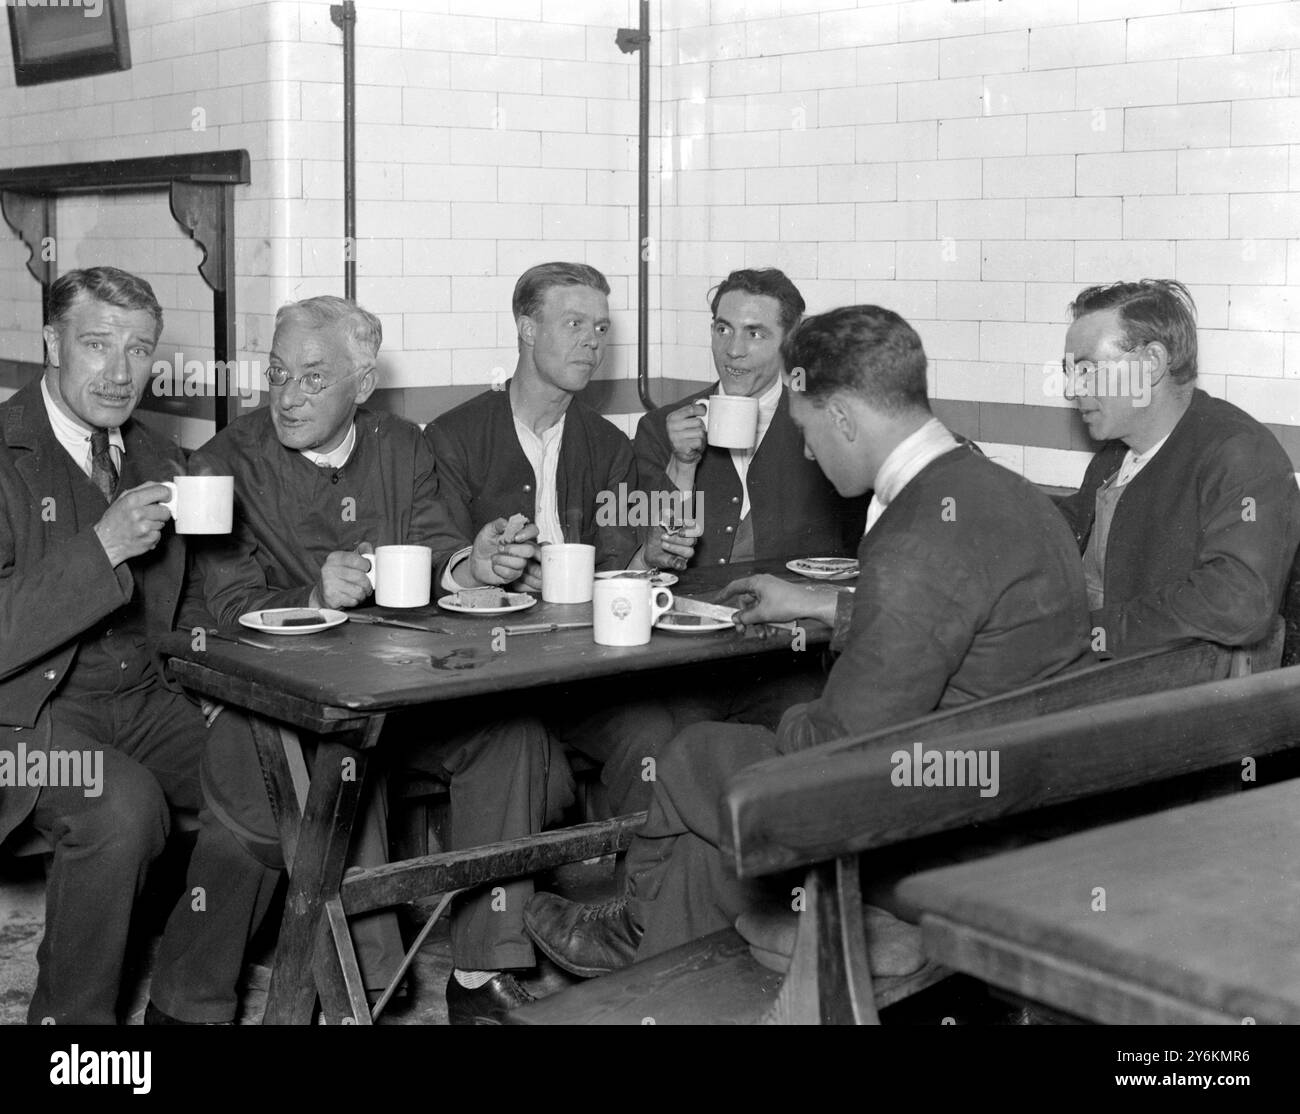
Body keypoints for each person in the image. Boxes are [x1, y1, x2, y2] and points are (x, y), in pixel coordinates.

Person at [523, 304, 1094, 972]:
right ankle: (660, 952)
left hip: (933, 828)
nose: (811, 452)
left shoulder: (914, 535)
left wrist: (792, 717)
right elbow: (958, 625)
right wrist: (835, 608)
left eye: (808, 431)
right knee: (716, 782)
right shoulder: (1002, 489)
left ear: (846, 417)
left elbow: (837, 745)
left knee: (694, 755)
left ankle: (641, 936)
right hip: (1011, 786)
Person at [149, 296, 566, 1025]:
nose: (286, 395)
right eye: (276, 373)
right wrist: (315, 591)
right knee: (324, 774)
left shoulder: (403, 444)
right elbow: (226, 606)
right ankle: (341, 988)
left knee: (513, 738)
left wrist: (481, 564)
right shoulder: (223, 463)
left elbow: (442, 551)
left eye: (312, 378)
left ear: (363, 384)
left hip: (402, 688)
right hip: (285, 701)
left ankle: (481, 972)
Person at [0, 267, 214, 1023]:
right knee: (120, 809)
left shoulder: (160, 459)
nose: (121, 372)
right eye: (97, 345)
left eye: (139, 349)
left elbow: (200, 600)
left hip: (146, 699)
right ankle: (71, 1037)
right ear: (51, 344)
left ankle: (191, 998)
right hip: (25, 719)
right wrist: (101, 548)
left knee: (265, 782)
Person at [422, 262, 688, 817]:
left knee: (654, 733)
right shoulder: (454, 436)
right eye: (573, 325)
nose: (592, 343)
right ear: (525, 328)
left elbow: (618, 562)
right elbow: (439, 558)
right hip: (488, 677)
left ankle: (638, 893)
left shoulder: (610, 446)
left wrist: (649, 555)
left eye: (599, 329)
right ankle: (517, 899)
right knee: (527, 757)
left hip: (581, 675)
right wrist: (485, 565)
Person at [1055, 279, 1300, 657]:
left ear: (1151, 363)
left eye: (1086, 368)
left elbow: (1238, 603)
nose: (1072, 389)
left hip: (1147, 693)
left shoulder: (1240, 455)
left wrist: (1089, 635)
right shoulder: (1115, 454)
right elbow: (1069, 529)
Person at [634, 268, 867, 568]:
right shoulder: (659, 428)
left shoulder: (826, 428)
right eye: (723, 329)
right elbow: (655, 553)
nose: (733, 350)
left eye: (754, 333)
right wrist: (682, 465)